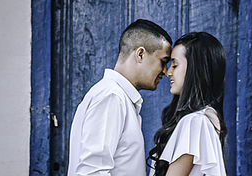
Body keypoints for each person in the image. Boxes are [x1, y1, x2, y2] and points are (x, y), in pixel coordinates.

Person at [67, 19, 173, 176]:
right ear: (141, 54)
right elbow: (92, 172)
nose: (165, 71)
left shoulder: (118, 98)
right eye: (163, 62)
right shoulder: (111, 97)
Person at [147, 32, 228, 176]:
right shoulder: (206, 117)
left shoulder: (195, 122)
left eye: (175, 65)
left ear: (195, 69)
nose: (168, 72)